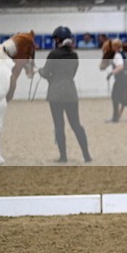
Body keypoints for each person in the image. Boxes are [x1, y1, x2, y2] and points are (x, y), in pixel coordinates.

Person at [38, 26, 92, 163]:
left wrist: (40, 72)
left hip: (55, 94)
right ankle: (86, 155)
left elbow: (45, 72)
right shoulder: (74, 55)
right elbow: (72, 73)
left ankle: (63, 157)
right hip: (70, 93)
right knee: (76, 125)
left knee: (59, 125)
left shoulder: (53, 54)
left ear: (57, 39)